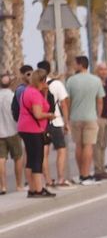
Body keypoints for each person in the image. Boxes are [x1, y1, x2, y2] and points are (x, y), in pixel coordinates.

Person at [64, 55, 102, 186]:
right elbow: (100, 100)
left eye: (75, 63)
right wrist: (98, 115)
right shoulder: (96, 80)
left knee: (79, 145)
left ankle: (81, 174)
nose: (74, 66)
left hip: (75, 117)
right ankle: (86, 175)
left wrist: (67, 117)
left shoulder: (71, 81)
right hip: (91, 117)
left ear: (81, 65)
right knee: (88, 145)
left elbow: (67, 101)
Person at [17, 67, 52, 198]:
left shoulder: (28, 91)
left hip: (24, 128)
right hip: (33, 129)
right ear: (41, 80)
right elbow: (38, 114)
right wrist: (49, 115)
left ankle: (32, 189)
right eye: (45, 81)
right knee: (38, 158)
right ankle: (38, 189)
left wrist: (45, 93)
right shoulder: (35, 94)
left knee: (31, 159)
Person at [44, 63, 69, 187]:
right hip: (56, 122)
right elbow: (64, 104)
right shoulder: (57, 84)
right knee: (61, 150)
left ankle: (48, 181)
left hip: (41, 123)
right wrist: (66, 122)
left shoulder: (34, 85)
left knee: (44, 153)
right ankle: (60, 178)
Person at [0, 72, 22, 194]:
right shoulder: (13, 96)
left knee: (1, 159)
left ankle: (3, 186)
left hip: (0, 133)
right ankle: (19, 185)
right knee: (18, 158)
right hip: (14, 131)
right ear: (11, 83)